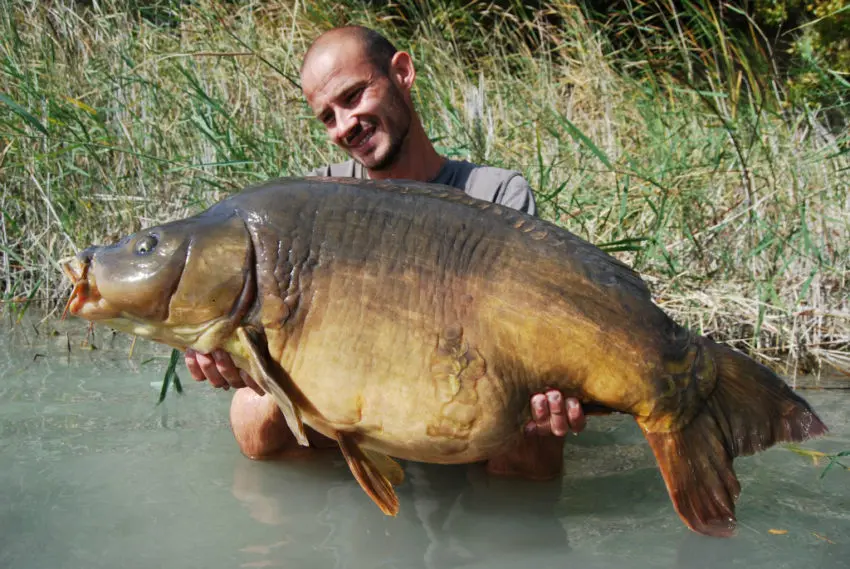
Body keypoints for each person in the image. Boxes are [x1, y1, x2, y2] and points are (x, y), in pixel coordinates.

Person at [185, 25, 587, 480]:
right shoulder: (315, 202)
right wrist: (234, 355)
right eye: (327, 117)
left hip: (468, 398)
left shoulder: (495, 194)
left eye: (353, 96)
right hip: (354, 398)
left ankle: (507, 541)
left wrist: (551, 389)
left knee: (536, 439)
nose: (344, 126)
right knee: (252, 416)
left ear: (402, 73)